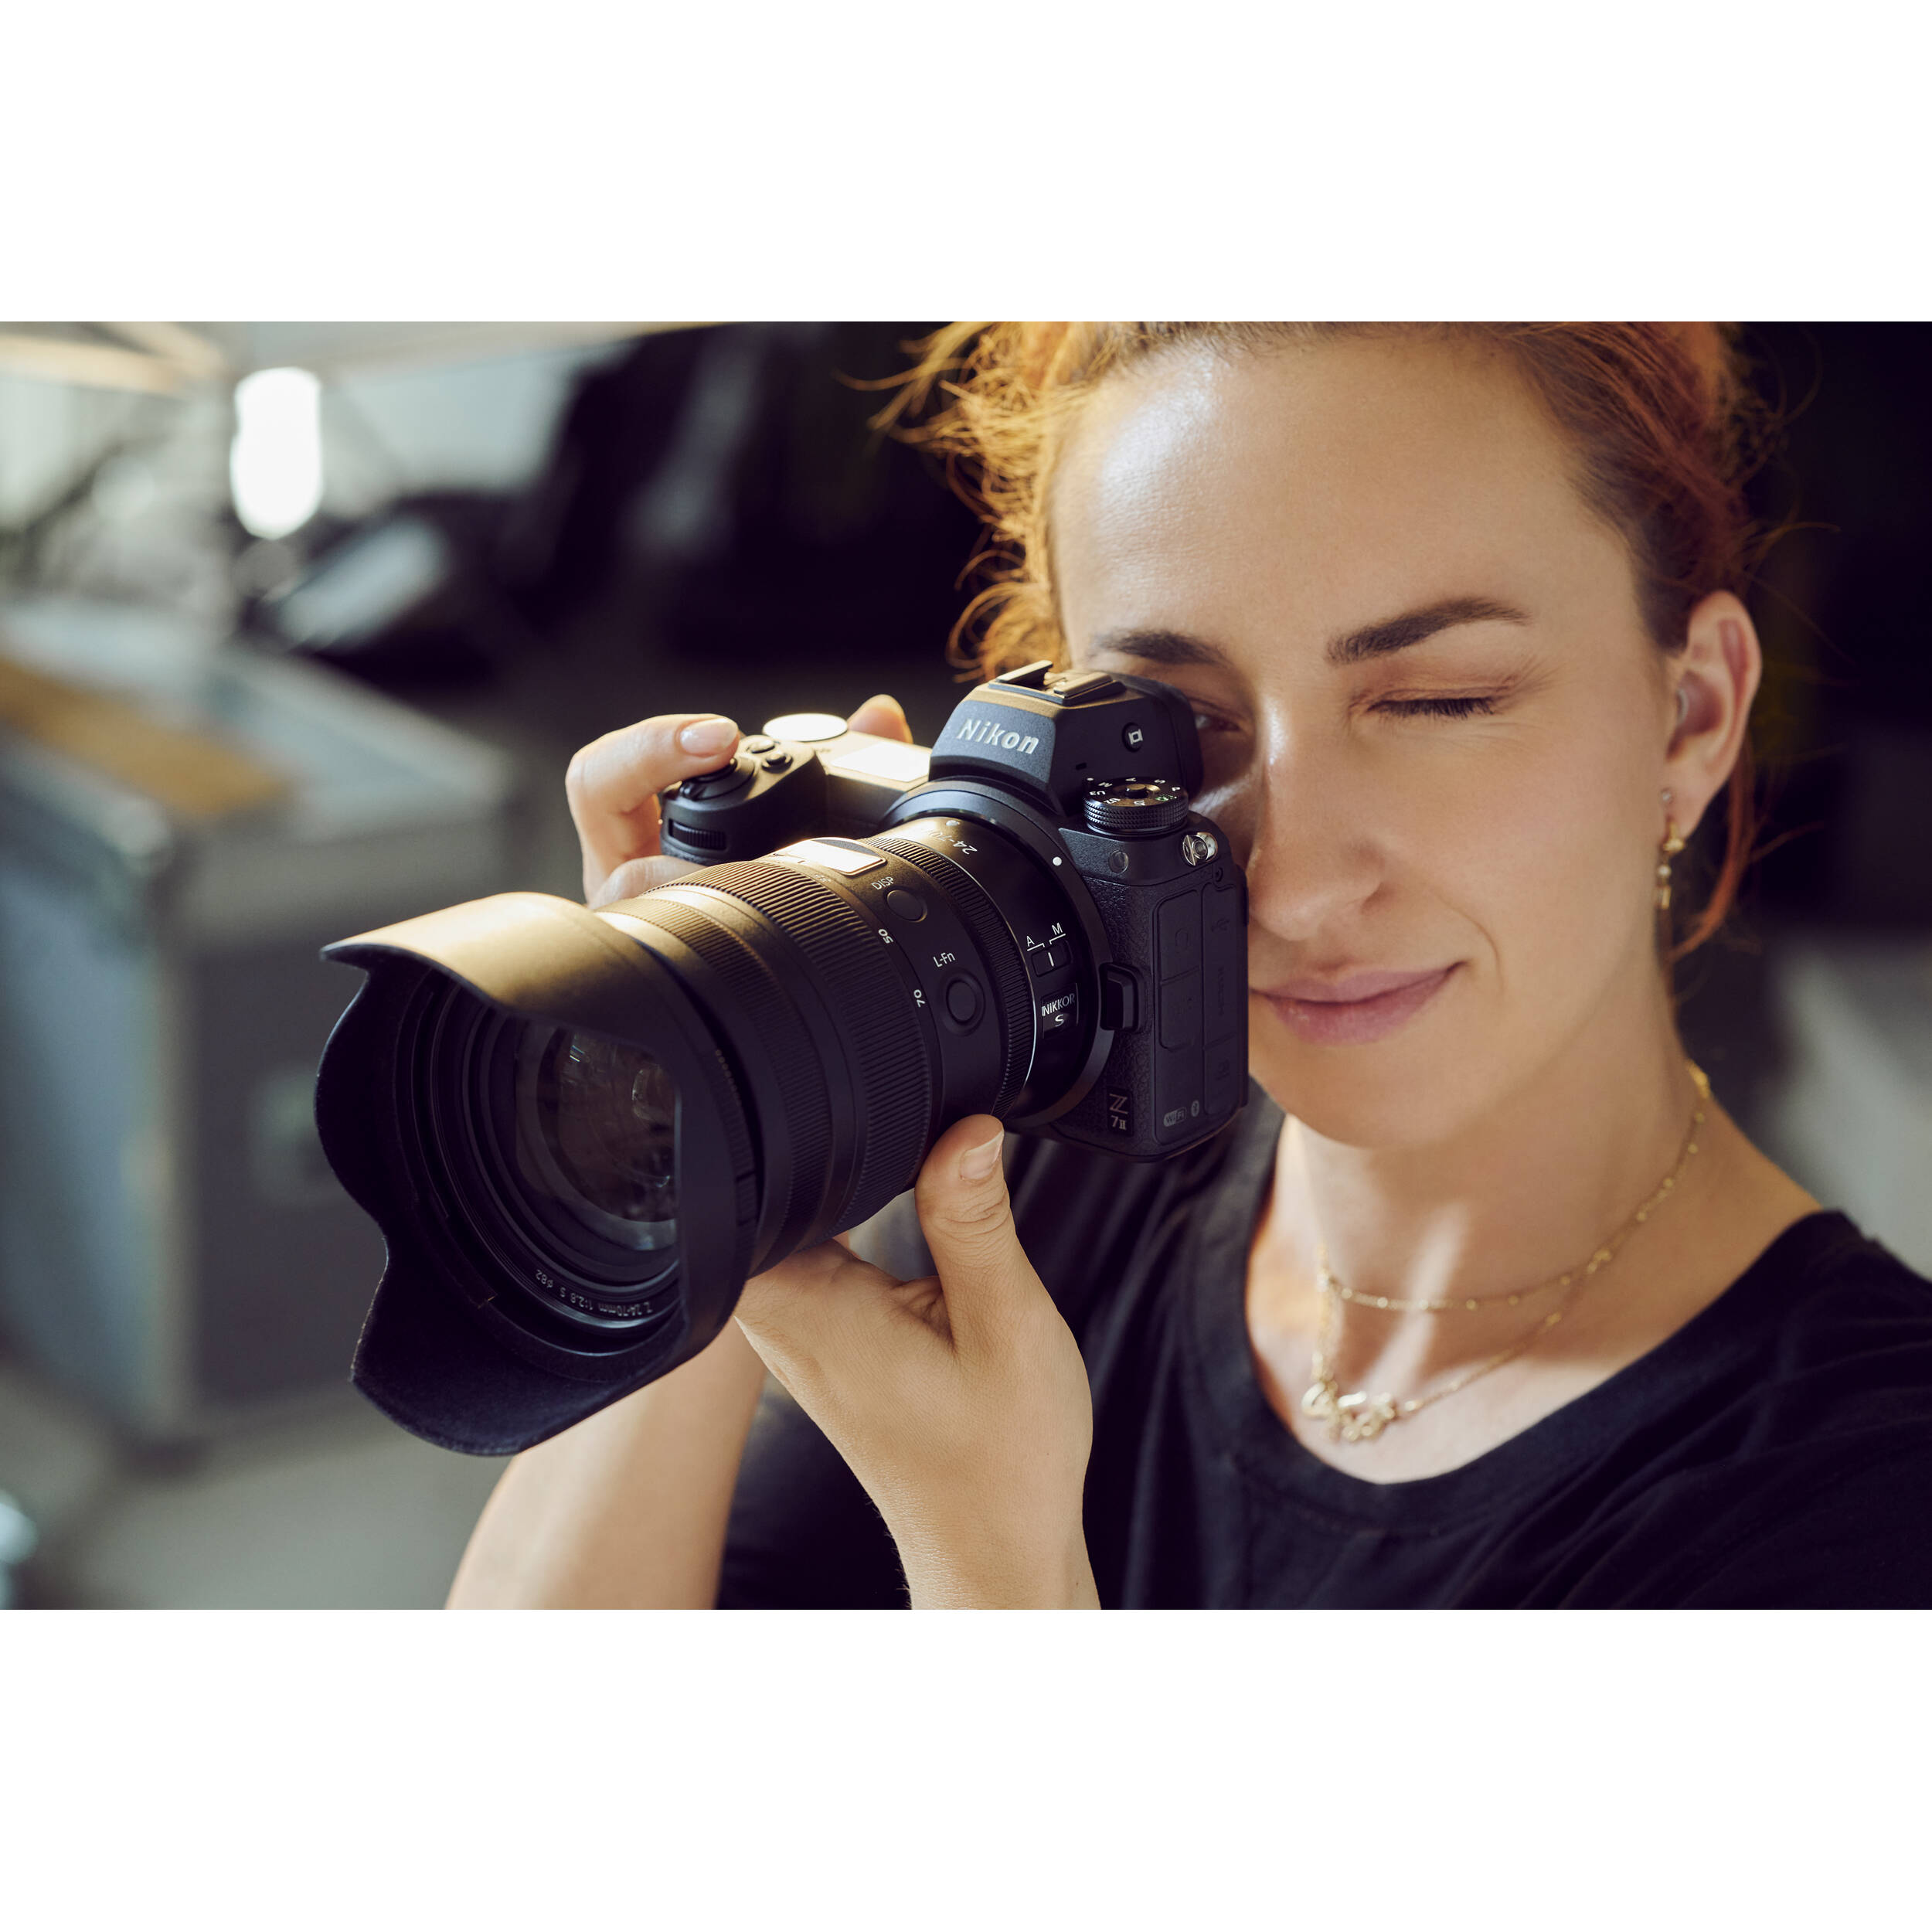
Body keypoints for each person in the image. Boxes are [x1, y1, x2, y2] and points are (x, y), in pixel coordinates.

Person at [447, 323, 1932, 1610]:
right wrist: (712, 1058)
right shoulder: (1047, 1173)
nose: (1291, 879)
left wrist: (996, 1561)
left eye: (1439, 700)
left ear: (1693, 717)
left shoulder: (1863, 1497)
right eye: (1167, 736)